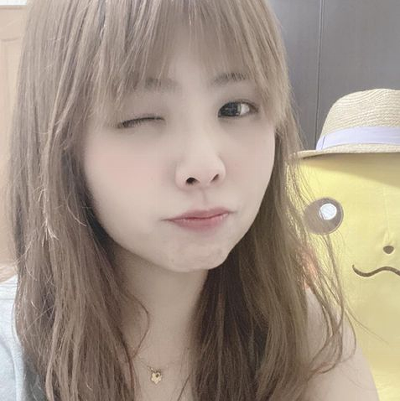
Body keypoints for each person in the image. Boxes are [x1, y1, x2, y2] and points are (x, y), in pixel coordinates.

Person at [0, 0, 378, 400]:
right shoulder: (14, 356)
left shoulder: (308, 337)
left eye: (235, 108)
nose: (205, 165)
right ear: (61, 144)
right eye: (142, 117)